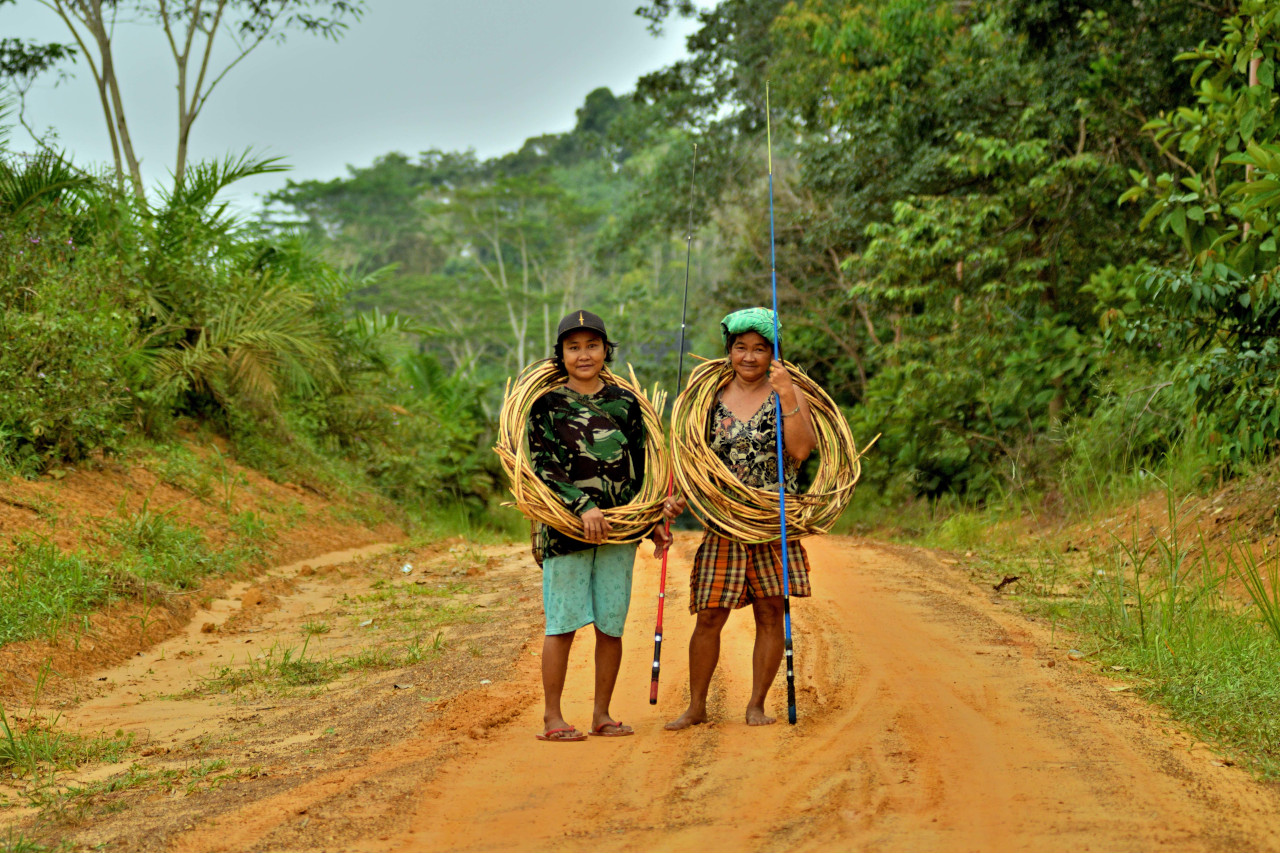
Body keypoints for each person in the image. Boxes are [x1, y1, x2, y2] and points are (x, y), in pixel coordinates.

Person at [664, 307, 817, 729]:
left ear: (773, 353)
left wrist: (787, 395)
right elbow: (690, 454)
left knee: (770, 612)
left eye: (760, 349)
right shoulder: (708, 400)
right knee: (710, 613)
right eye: (740, 348)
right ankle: (696, 707)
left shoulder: (788, 394)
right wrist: (678, 497)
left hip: (773, 520)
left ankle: (756, 705)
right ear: (729, 351)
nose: (749, 357)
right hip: (725, 520)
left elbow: (802, 451)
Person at [527, 309, 671, 742]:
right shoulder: (546, 406)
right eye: (574, 347)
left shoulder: (625, 405)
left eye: (592, 345)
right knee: (562, 624)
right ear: (561, 354)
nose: (583, 354)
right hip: (566, 532)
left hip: (618, 534)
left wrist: (651, 523)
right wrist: (583, 505)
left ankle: (602, 715)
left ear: (606, 350)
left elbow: (642, 469)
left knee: (611, 624)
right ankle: (553, 717)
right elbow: (542, 467)